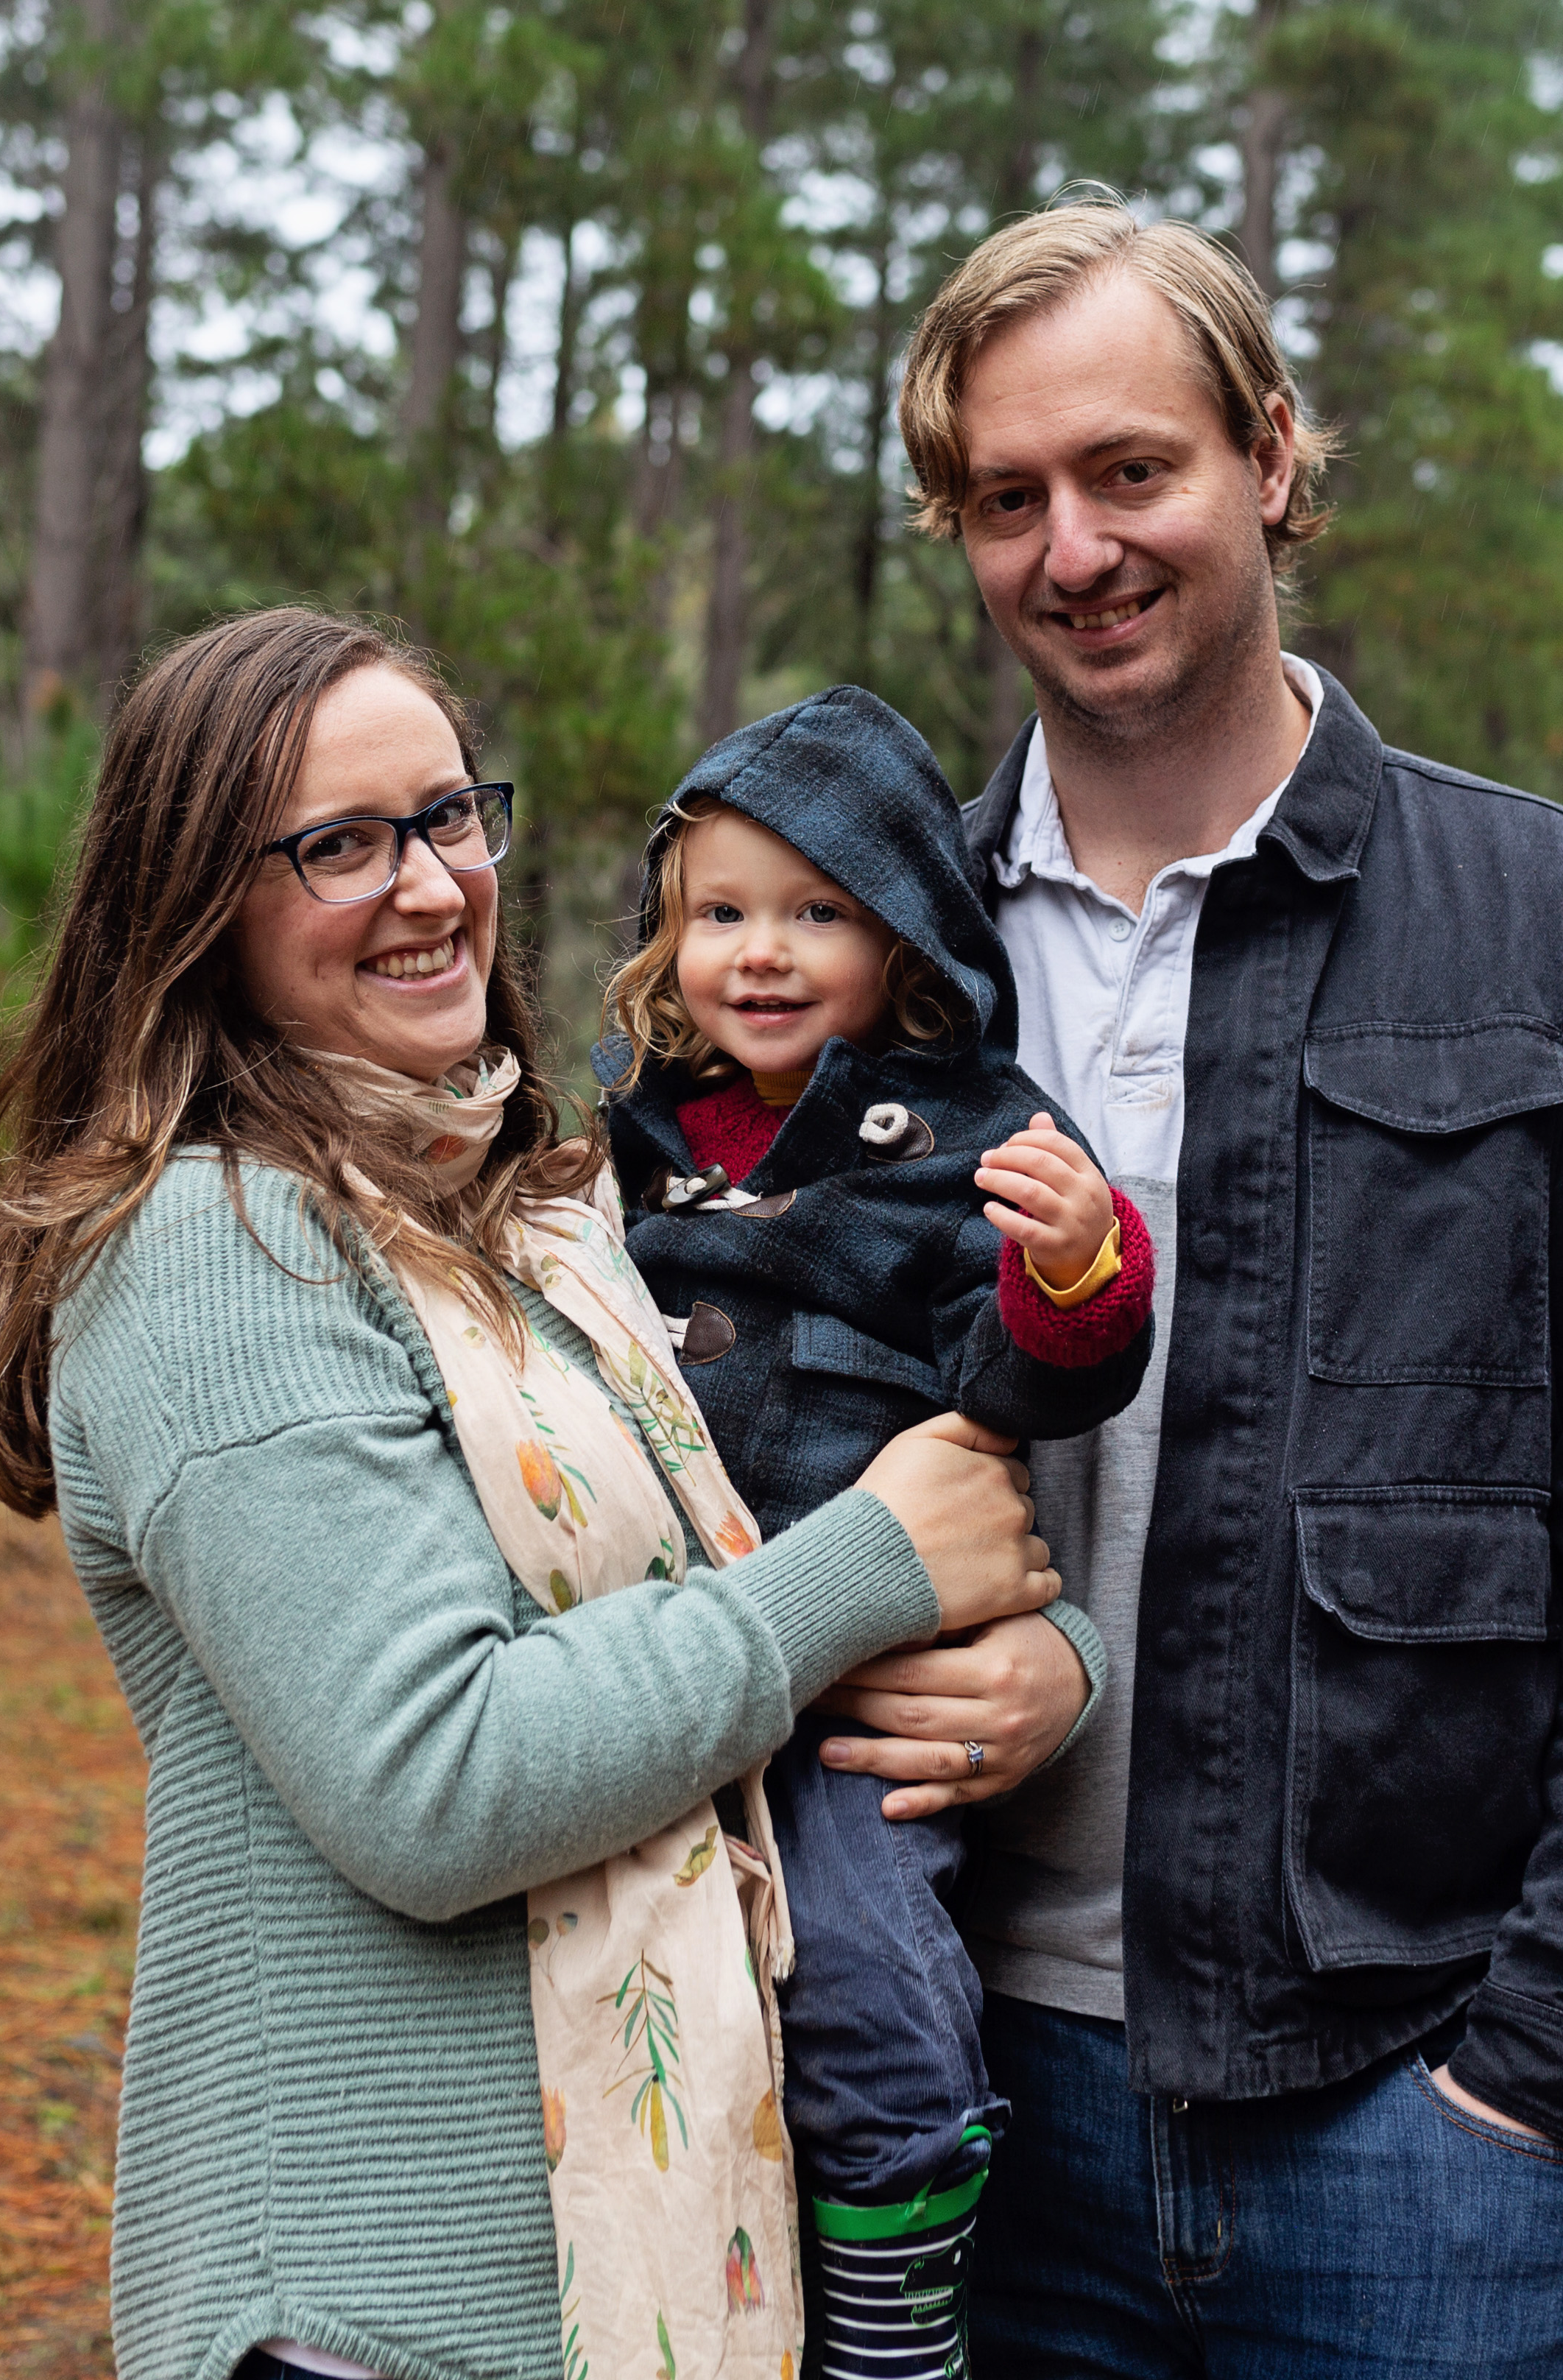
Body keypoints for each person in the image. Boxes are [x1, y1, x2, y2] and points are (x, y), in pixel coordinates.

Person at [0, 607, 1075, 2380]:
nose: (428, 884)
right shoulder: (218, 1255)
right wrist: (875, 1571)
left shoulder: (517, 1214)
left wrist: (1029, 1656)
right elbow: (441, 1781)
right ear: (195, 910)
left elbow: (758, 1519)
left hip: (646, 2268)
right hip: (391, 2305)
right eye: (337, 845)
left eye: (451, 815)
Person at [891, 197, 1563, 2377]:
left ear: (1272, 459)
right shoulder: (876, 951)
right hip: (950, 2091)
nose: (1075, 549)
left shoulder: (1547, 920)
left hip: (1404, 2119)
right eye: (1008, 498)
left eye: (1132, 471)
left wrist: (1539, 2077)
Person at [593, 686, 1160, 2376]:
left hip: (859, 1673)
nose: (760, 954)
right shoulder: (625, 1148)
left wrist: (1074, 1272)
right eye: (721, 914)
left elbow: (1022, 1385)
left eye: (817, 914)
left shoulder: (963, 1139)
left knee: (861, 1972)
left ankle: (898, 2302)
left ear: (907, 938)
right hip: (644, 1658)